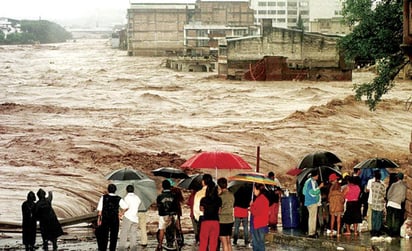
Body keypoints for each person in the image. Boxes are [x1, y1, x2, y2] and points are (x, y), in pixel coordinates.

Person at [96, 184, 127, 251]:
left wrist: (99, 220)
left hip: (105, 218)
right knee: (114, 236)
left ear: (108, 190)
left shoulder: (103, 197)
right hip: (114, 219)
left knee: (104, 235)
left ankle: (103, 249)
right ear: (115, 190)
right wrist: (121, 214)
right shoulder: (119, 198)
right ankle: (112, 249)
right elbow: (125, 207)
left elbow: (100, 210)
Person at [156, 179, 179, 251]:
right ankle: (175, 242)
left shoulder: (160, 196)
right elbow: (176, 206)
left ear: (163, 187)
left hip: (163, 215)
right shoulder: (174, 196)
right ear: (169, 187)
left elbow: (158, 206)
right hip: (173, 214)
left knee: (161, 229)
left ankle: (160, 244)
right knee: (174, 228)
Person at [199, 180, 222, 251]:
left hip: (205, 221)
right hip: (215, 222)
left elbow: (201, 209)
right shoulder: (219, 199)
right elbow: (219, 211)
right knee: (213, 242)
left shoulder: (203, 199)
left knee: (203, 242)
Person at [118, 185, 141, 251]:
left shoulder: (126, 198)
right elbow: (138, 204)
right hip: (135, 218)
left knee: (124, 234)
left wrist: (121, 213)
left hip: (128, 217)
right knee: (133, 234)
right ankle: (133, 249)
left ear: (126, 190)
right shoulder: (137, 198)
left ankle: (121, 249)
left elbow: (125, 207)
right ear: (133, 190)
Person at [302, 170, 324, 238]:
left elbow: (303, 192)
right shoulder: (310, 182)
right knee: (313, 218)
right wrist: (319, 187)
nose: (318, 176)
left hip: (310, 201)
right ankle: (311, 233)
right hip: (312, 201)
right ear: (315, 175)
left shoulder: (311, 181)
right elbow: (312, 192)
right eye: (317, 175)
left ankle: (312, 232)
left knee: (312, 217)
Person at [193, 173, 213, 244]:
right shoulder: (215, 192)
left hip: (202, 218)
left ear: (204, 181)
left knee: (203, 241)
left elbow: (196, 208)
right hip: (214, 218)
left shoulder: (199, 193)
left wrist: (197, 218)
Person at [386, 172, 407, 237]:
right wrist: (400, 201)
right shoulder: (404, 187)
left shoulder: (393, 185)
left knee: (389, 217)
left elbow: (388, 194)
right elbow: (403, 198)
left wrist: (389, 199)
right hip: (398, 204)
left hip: (391, 203)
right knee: (397, 219)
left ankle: (389, 230)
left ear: (397, 178)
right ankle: (395, 232)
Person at [250, 183, 269, 251]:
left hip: (258, 225)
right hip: (262, 224)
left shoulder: (259, 200)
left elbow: (255, 213)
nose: (253, 191)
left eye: (254, 189)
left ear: (258, 190)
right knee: (261, 243)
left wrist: (251, 206)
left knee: (257, 244)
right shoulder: (264, 199)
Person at [217, 177, 234, 251]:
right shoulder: (231, 195)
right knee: (228, 241)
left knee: (224, 242)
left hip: (222, 220)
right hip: (230, 220)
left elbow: (219, 210)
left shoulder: (220, 197)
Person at [370, 171, 386, 237]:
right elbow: (384, 194)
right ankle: (377, 231)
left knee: (373, 217)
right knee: (379, 218)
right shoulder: (382, 186)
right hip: (379, 204)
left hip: (374, 203)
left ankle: (373, 230)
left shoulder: (372, 184)